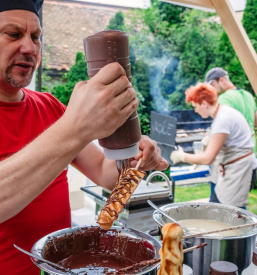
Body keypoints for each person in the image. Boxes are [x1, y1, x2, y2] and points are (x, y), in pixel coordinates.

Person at [0, 1, 169, 274]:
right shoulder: (67, 123)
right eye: (13, 34)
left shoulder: (50, 107)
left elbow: (106, 174)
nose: (30, 48)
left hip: (58, 268)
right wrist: (76, 127)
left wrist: (132, 155)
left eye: (35, 37)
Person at [170, 83, 254, 210]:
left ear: (204, 103)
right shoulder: (222, 112)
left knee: (233, 213)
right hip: (233, 168)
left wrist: (182, 156)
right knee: (219, 208)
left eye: (196, 106)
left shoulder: (222, 119)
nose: (195, 111)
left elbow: (207, 159)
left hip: (239, 170)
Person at [205, 67, 257, 191]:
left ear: (221, 80)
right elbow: (255, 120)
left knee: (220, 205)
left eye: (213, 85)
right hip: (251, 155)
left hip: (232, 159)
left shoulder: (225, 99)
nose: (212, 90)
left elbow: (221, 127)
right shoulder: (248, 95)